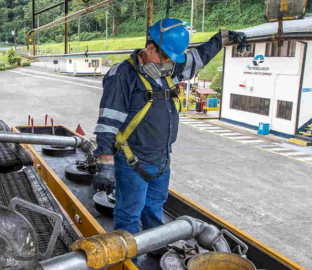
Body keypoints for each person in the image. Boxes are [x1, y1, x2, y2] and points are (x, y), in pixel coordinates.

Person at [92, 18, 248, 261]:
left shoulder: (169, 68)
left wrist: (222, 38)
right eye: (165, 58)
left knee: (155, 208)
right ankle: (127, 263)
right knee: (129, 215)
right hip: (134, 161)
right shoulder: (123, 75)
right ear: (150, 47)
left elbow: (199, 57)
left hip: (161, 159)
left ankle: (155, 247)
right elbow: (108, 122)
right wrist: (105, 161)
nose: (168, 65)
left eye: (172, 60)